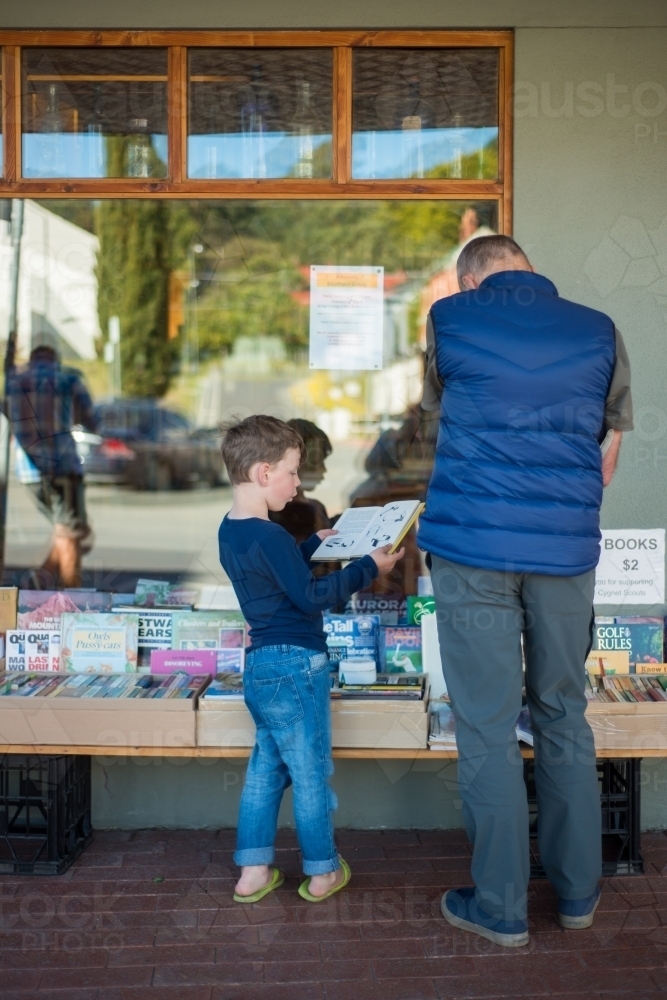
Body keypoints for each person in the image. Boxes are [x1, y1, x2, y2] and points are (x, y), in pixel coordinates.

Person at [418, 235, 632, 947]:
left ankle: (502, 907)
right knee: (561, 713)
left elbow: (436, 411)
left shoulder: (450, 319)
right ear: (529, 269)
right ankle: (576, 895)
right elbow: (609, 444)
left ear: (469, 278)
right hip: (564, 551)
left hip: (471, 546)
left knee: (484, 724)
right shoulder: (598, 328)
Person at [218, 415, 404, 904]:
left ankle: (253, 871)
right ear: (263, 474)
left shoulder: (232, 531)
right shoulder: (270, 535)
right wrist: (369, 566)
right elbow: (309, 598)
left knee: (265, 769)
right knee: (310, 771)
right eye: (292, 472)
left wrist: (310, 546)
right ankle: (322, 871)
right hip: (297, 665)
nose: (298, 484)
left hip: (260, 666)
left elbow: (273, 578)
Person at [6, 345, 97, 588]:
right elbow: (91, 420)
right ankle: (70, 599)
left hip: (29, 471)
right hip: (62, 467)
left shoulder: (14, 381)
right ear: (55, 359)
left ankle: (39, 580)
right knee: (71, 533)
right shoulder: (69, 379)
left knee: (72, 530)